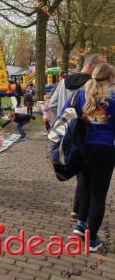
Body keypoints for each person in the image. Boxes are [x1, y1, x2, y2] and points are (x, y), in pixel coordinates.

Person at [49, 54, 107, 222]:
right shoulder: (95, 87)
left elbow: (52, 105)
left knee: (79, 173)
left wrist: (58, 129)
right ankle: (81, 216)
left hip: (66, 134)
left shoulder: (64, 81)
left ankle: (78, 211)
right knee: (85, 176)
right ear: (91, 67)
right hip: (86, 136)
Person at [64, 63, 115, 252]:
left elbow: (64, 118)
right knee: (98, 195)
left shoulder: (78, 95)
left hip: (83, 149)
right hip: (105, 151)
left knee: (84, 187)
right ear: (110, 78)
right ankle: (91, 240)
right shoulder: (113, 99)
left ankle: (80, 226)